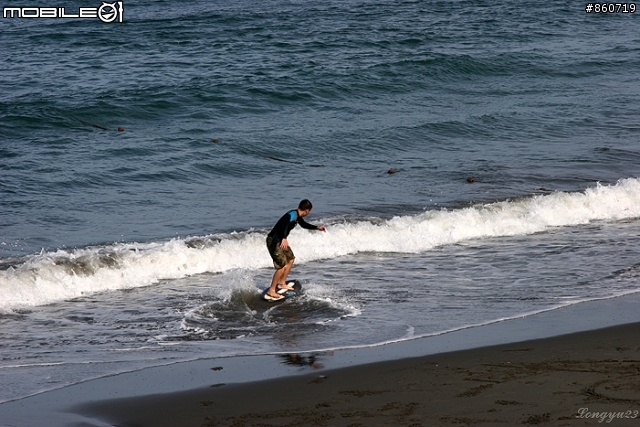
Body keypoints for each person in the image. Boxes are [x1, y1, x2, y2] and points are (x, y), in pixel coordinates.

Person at [265, 199, 326, 301]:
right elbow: (282, 226)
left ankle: (282, 283)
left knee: (290, 259)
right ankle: (271, 290)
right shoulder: (292, 215)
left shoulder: (297, 216)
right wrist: (284, 238)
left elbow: (304, 225)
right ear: (307, 211)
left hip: (281, 241)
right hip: (274, 241)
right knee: (281, 266)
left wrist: (317, 228)